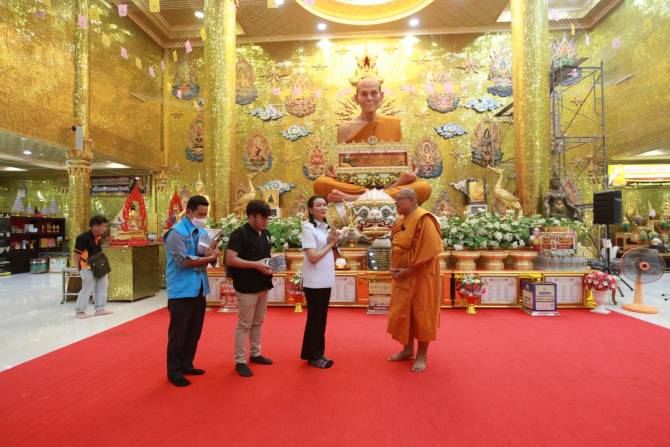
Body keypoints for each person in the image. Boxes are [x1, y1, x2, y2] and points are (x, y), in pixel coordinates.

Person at [313, 76, 432, 204]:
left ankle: (355, 198)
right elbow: (343, 164)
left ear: (381, 96)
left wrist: (408, 172)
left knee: (424, 188)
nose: (369, 98)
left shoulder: (393, 124)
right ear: (356, 98)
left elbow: (399, 162)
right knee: (320, 183)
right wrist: (336, 168)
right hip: (357, 184)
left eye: (374, 93)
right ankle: (380, 195)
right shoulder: (345, 128)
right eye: (364, 94)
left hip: (386, 183)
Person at [164, 195, 219, 387]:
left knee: (194, 331)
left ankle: (187, 364)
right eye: (200, 214)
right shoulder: (176, 233)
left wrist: (213, 254)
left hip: (199, 288)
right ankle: (174, 372)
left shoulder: (202, 231)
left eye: (205, 214)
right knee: (178, 333)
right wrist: (207, 258)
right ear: (189, 212)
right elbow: (182, 261)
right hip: (181, 290)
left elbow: (205, 255)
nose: (203, 218)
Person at [387, 188, 443, 373]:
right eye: (395, 199)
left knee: (421, 312)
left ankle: (422, 355)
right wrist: (392, 264)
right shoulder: (400, 221)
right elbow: (394, 245)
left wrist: (409, 269)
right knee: (404, 311)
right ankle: (407, 349)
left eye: (399, 199)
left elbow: (430, 250)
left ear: (411, 201)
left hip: (421, 276)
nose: (396, 203)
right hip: (402, 275)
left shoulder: (424, 219)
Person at [225, 200, 275, 378]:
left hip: (263, 284)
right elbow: (230, 259)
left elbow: (266, 256)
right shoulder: (240, 234)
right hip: (246, 286)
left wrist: (273, 263)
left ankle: (255, 353)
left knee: (258, 322)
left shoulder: (266, 233)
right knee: (244, 324)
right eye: (262, 218)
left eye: (267, 218)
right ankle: (240, 360)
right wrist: (256, 265)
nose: (265, 222)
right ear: (251, 217)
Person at [300, 195, 338, 369]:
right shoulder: (308, 227)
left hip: (325, 279)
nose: (323, 208)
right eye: (318, 205)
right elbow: (313, 257)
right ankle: (313, 355)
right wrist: (330, 244)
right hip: (314, 281)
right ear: (310, 209)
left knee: (321, 319)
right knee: (315, 319)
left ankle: (317, 353)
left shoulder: (326, 228)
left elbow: (331, 254)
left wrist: (334, 243)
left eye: (324, 205)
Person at [73, 215, 112, 319]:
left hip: (98, 266)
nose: (105, 228)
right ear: (95, 226)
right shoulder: (82, 238)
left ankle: (100, 309)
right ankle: (80, 311)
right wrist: (78, 268)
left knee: (103, 284)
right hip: (86, 267)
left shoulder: (98, 237)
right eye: (103, 226)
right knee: (88, 287)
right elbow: (76, 254)